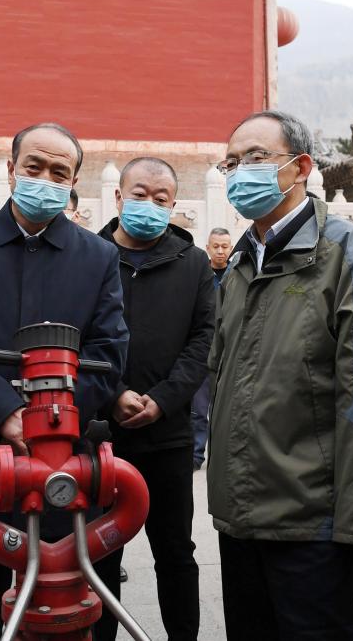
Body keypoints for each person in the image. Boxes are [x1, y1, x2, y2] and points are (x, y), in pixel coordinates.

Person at [0, 121, 129, 640]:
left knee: (62, 619)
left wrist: (48, 422)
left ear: (73, 182)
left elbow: (109, 353)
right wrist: (4, 413)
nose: (45, 179)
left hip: (64, 470)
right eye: (34, 167)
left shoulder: (98, 256)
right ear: (12, 170)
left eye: (60, 172)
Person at [208, 110, 353, 640]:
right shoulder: (239, 263)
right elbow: (222, 376)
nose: (240, 172)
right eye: (231, 163)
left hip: (311, 521)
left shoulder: (348, 255)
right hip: (240, 515)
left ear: (299, 167)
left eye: (255, 158)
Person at [91, 157, 213, 641]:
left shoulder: (193, 263)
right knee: (100, 552)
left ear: (173, 205)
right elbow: (76, 335)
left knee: (176, 552)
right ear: (118, 197)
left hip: (169, 435)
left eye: (161, 199)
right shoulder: (89, 255)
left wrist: (162, 399)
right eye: (139, 195)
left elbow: (204, 340)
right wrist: (114, 393)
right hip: (100, 435)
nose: (149, 205)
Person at [190, 227, 231, 471]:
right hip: (203, 350)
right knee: (198, 409)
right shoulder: (200, 274)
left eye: (224, 246)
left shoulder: (237, 275)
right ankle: (196, 456)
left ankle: (223, 457)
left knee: (226, 408)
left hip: (228, 351)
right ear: (208, 248)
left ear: (231, 248)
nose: (220, 251)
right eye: (216, 246)